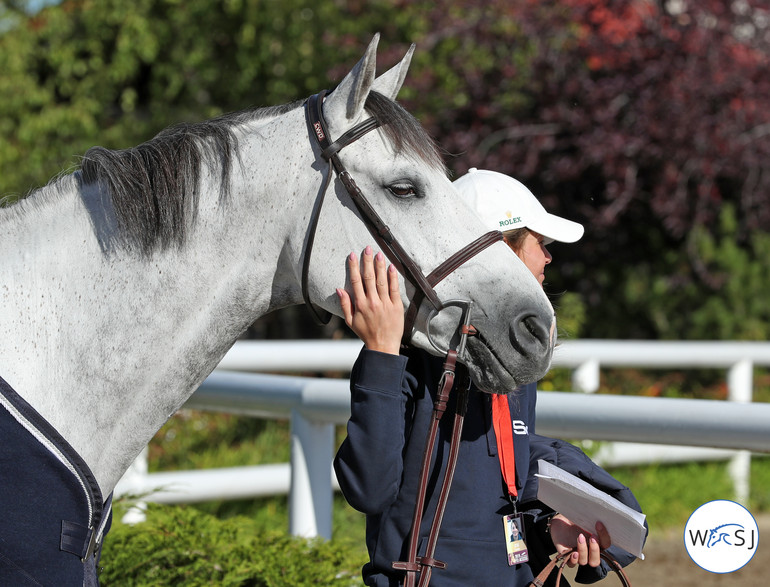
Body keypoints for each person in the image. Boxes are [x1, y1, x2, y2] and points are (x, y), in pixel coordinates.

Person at [333, 169, 645, 586]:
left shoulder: (514, 364)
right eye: (541, 243)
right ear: (498, 252)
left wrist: (556, 529)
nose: (548, 258)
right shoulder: (404, 360)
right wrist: (380, 353)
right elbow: (368, 490)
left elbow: (499, 500)